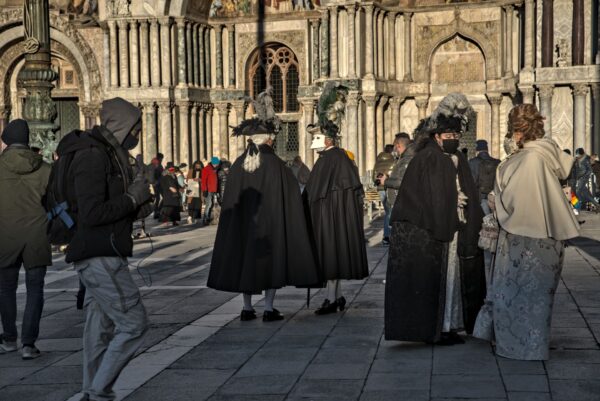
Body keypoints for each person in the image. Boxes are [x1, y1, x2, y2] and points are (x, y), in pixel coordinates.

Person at [474, 104, 580, 360]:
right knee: (538, 299)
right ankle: (535, 346)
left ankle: (521, 348)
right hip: (548, 239)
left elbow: (515, 201)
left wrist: (493, 202)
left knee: (517, 296)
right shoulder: (547, 154)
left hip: (522, 240)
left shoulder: (528, 159)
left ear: (519, 131)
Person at [208, 88, 319, 321]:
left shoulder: (238, 164)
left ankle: (247, 308)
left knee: (245, 264)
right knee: (271, 265)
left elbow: (230, 196)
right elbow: (291, 194)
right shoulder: (276, 164)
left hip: (244, 227)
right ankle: (268, 308)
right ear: (268, 139)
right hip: (269, 227)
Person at [67, 97, 152, 401]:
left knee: (97, 331)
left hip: (103, 252)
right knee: (134, 324)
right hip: (99, 256)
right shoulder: (93, 157)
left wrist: (140, 196)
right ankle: (98, 391)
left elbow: (117, 209)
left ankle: (92, 390)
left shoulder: (113, 156)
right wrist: (131, 199)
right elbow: (92, 214)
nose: (138, 136)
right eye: (136, 129)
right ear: (122, 126)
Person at [385, 93, 485, 345]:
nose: (452, 140)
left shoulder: (456, 157)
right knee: (439, 279)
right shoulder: (427, 158)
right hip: (433, 232)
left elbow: (465, 188)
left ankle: (450, 324)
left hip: (454, 230)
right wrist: (451, 203)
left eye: (456, 136)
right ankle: (438, 328)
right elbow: (425, 196)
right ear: (436, 136)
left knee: (453, 279)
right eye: (448, 137)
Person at [304, 82, 369, 315]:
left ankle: (331, 300)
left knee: (331, 259)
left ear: (328, 140)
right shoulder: (340, 158)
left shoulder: (330, 160)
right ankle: (337, 296)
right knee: (335, 259)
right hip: (337, 220)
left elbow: (315, 192)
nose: (314, 143)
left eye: (317, 137)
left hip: (330, 221)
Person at [0, 119, 51, 360]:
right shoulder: (45, 168)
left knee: (5, 289)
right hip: (36, 235)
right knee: (35, 290)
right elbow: (53, 203)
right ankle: (29, 345)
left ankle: (9, 339)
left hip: (5, 236)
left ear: (6, 139)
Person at [383, 132, 416, 210]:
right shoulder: (403, 158)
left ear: (398, 145)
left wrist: (385, 181)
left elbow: (401, 182)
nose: (395, 150)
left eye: (395, 147)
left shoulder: (407, 159)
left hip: (400, 204)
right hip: (398, 203)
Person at [468, 140, 500, 215]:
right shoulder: (497, 162)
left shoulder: (473, 162)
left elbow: (471, 181)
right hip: (495, 197)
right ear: (487, 149)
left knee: (484, 220)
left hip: (480, 197)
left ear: (477, 150)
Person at [373, 144, 395, 245]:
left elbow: (374, 178)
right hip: (389, 188)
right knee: (390, 213)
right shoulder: (394, 161)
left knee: (388, 213)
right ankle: (387, 236)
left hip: (380, 189)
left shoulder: (377, 162)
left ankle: (387, 236)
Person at [201, 157, 220, 225]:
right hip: (208, 190)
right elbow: (203, 180)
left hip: (213, 189)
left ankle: (209, 217)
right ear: (213, 163)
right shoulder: (206, 169)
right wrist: (204, 190)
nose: (217, 165)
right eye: (216, 163)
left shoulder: (214, 169)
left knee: (211, 204)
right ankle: (205, 218)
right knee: (208, 204)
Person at [152, 153, 164, 219]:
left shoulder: (153, 163)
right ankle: (157, 211)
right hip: (158, 183)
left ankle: (156, 212)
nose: (162, 160)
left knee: (158, 198)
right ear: (160, 158)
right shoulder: (158, 164)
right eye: (162, 158)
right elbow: (159, 174)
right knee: (163, 197)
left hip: (155, 183)